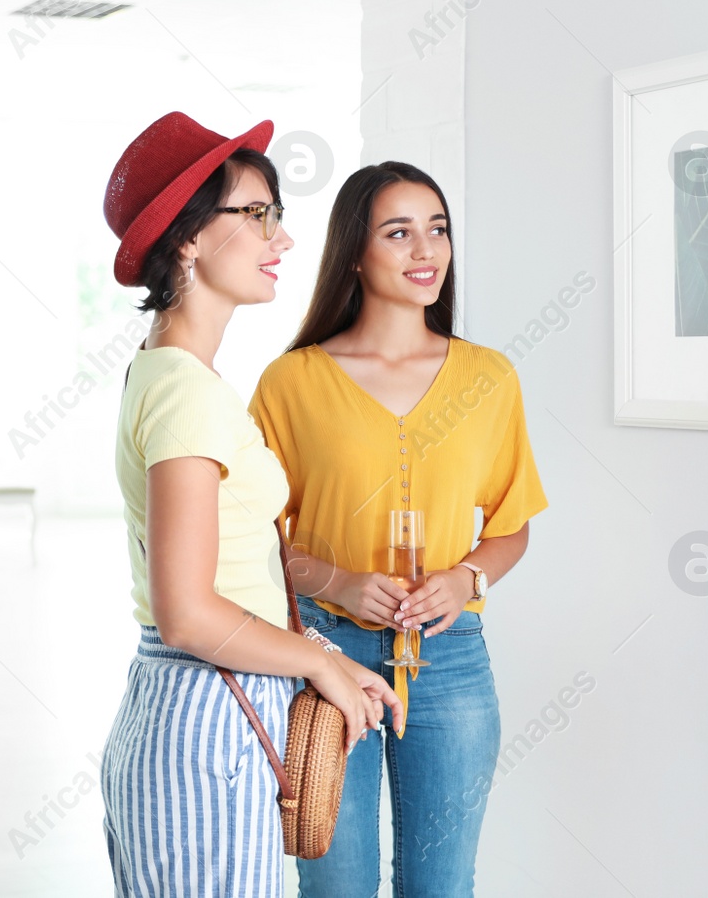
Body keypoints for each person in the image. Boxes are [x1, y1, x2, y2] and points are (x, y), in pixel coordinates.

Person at [98, 112, 403, 896]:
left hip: (203, 706)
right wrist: (321, 664)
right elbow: (190, 614)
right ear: (188, 237)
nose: (283, 239)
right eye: (257, 213)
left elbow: (230, 581)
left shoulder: (172, 375)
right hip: (205, 717)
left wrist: (325, 659)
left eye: (278, 215)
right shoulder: (186, 392)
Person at [247, 161, 549, 897]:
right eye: (399, 232)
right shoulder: (291, 382)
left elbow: (512, 526)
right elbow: (251, 542)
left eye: (437, 229)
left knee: (441, 884)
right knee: (335, 884)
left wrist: (464, 578)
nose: (427, 251)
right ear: (355, 251)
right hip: (324, 657)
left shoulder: (489, 378)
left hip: (450, 664)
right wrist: (340, 581)